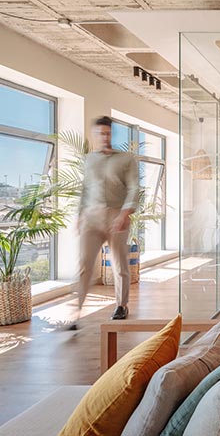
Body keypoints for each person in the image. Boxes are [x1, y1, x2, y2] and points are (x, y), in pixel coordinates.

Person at [75, 116, 139, 323]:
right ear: (94, 135)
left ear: (111, 134)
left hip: (116, 216)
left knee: (119, 265)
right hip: (91, 217)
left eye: (107, 133)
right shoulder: (90, 159)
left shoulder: (126, 159)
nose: (104, 137)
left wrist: (124, 214)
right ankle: (77, 309)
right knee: (84, 263)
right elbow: (85, 189)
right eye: (100, 133)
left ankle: (121, 305)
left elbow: (134, 188)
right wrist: (80, 215)